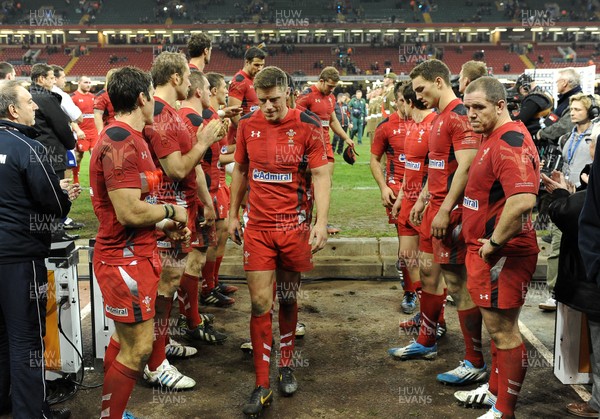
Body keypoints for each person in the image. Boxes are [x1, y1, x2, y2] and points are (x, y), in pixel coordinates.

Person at [228, 66, 330, 417]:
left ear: (286, 92)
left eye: (273, 99)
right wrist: (230, 215)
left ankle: (286, 362)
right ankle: (261, 383)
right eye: (262, 99)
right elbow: (240, 170)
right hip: (257, 228)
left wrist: (321, 222)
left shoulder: (308, 125)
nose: (267, 106)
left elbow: (320, 173)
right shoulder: (247, 125)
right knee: (259, 304)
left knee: (287, 299)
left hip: (294, 227)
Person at [90, 66, 190, 419]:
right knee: (139, 348)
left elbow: (137, 208)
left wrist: (163, 224)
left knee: (125, 342)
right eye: (151, 95)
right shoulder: (119, 141)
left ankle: (112, 411)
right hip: (123, 262)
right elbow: (129, 212)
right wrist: (173, 211)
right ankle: (111, 416)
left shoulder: (135, 137)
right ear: (141, 98)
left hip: (138, 255)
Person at [388, 59, 484, 389]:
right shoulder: (440, 118)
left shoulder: (459, 115)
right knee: (428, 275)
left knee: (458, 286)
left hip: (453, 215)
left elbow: (467, 166)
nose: (418, 96)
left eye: (421, 88)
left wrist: (443, 209)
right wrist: (423, 200)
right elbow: (438, 168)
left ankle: (474, 360)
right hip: (435, 210)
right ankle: (427, 341)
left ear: (439, 81)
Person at [458, 76, 540, 419]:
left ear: (500, 105)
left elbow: (522, 201)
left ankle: (505, 410)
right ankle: (494, 391)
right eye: (467, 108)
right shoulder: (494, 136)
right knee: (498, 328)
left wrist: (492, 244)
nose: (471, 114)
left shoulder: (509, 141)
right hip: (491, 253)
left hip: (502, 254)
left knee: (504, 332)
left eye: (479, 107)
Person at [142, 52, 224, 390]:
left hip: (180, 206)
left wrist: (205, 203)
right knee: (163, 287)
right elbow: (177, 168)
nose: (192, 83)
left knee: (170, 285)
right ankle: (154, 361)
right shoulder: (161, 114)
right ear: (175, 77)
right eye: (187, 78)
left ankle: (159, 348)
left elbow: (194, 165)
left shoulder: (172, 114)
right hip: (164, 208)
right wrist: (205, 140)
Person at [0, 80, 77, 419]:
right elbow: (53, 203)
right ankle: (32, 413)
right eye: (30, 102)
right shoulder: (26, 147)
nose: (36, 107)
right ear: (13, 110)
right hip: (19, 257)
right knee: (26, 339)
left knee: (2, 338)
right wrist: (65, 196)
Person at [541, 121, 599, 418]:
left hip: (592, 284)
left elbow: (573, 214)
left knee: (599, 345)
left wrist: (562, 196)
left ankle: (597, 404)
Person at [540, 93, 598, 312]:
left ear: (591, 112)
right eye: (571, 109)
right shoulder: (567, 137)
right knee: (557, 246)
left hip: (586, 200)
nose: (572, 113)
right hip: (568, 195)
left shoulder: (596, 135)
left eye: (578, 109)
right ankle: (556, 292)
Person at [370, 81, 416, 314]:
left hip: (425, 191)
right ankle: (410, 291)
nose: (406, 105)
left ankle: (431, 287)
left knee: (428, 244)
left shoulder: (427, 122)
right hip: (398, 190)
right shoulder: (386, 126)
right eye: (401, 100)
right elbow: (374, 160)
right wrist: (383, 187)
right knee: (407, 244)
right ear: (397, 100)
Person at [227, 46, 266, 144]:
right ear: (247, 62)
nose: (260, 68)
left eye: (262, 65)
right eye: (256, 65)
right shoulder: (239, 81)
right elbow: (233, 113)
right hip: (241, 137)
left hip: (254, 133)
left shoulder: (254, 79)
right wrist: (245, 132)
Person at [536, 67, 582, 145]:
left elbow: (564, 127)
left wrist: (542, 133)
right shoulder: (567, 99)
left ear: (564, 83)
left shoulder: (576, 100)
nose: (556, 84)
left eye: (558, 81)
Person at [512, 73, 553, 139]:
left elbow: (520, 120)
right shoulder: (542, 94)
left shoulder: (534, 99)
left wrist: (508, 118)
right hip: (543, 132)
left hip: (536, 136)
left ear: (524, 88)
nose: (520, 94)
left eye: (519, 90)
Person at [71, 75, 98, 165]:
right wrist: (78, 130)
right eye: (86, 82)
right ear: (79, 83)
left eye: (90, 82)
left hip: (93, 132)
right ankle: (75, 179)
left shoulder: (93, 97)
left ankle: (95, 179)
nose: (88, 85)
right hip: (81, 132)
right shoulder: (73, 97)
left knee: (96, 158)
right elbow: (71, 118)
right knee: (78, 157)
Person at [94, 68, 117, 134]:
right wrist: (101, 133)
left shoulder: (122, 93)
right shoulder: (101, 96)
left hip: (122, 128)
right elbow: (98, 115)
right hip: (109, 130)